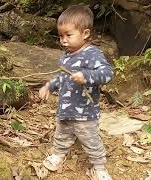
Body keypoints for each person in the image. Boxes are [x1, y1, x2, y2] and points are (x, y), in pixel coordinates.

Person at [38, 5, 114, 180]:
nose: (63, 40)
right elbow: (62, 77)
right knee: (62, 134)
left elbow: (108, 73)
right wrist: (49, 85)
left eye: (68, 35)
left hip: (86, 112)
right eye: (61, 36)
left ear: (85, 33)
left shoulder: (92, 54)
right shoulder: (66, 56)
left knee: (91, 139)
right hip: (65, 109)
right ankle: (59, 154)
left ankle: (99, 166)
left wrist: (87, 75)